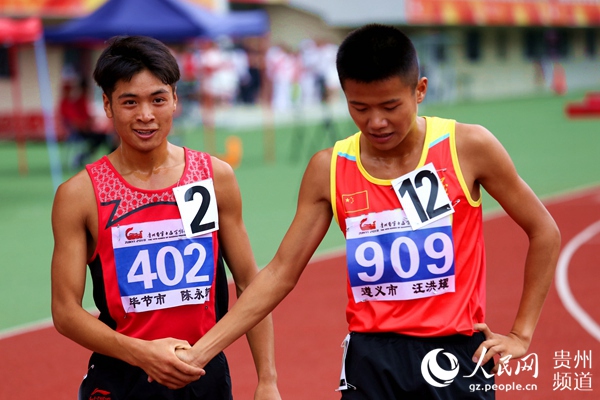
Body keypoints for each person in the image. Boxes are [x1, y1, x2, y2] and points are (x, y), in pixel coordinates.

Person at [174, 24, 562, 398]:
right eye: (359, 107)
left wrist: (521, 334)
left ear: (420, 90)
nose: (376, 122)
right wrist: (202, 350)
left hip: (455, 356)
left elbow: (544, 230)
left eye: (390, 106)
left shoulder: (468, 147)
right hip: (370, 362)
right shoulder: (330, 168)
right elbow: (279, 272)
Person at [50, 35, 281, 400]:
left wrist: (267, 379)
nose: (146, 115)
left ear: (175, 99)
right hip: (122, 379)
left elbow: (249, 284)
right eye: (130, 102)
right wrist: (142, 353)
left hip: (201, 374)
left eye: (158, 99)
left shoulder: (212, 177)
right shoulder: (79, 195)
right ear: (108, 105)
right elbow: (65, 312)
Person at [58, 77, 116, 168]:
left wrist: (92, 123)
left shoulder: (80, 100)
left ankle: (87, 157)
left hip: (84, 128)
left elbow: (86, 117)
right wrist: (87, 125)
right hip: (78, 131)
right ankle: (87, 158)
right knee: (102, 137)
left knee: (102, 137)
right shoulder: (70, 102)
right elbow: (74, 121)